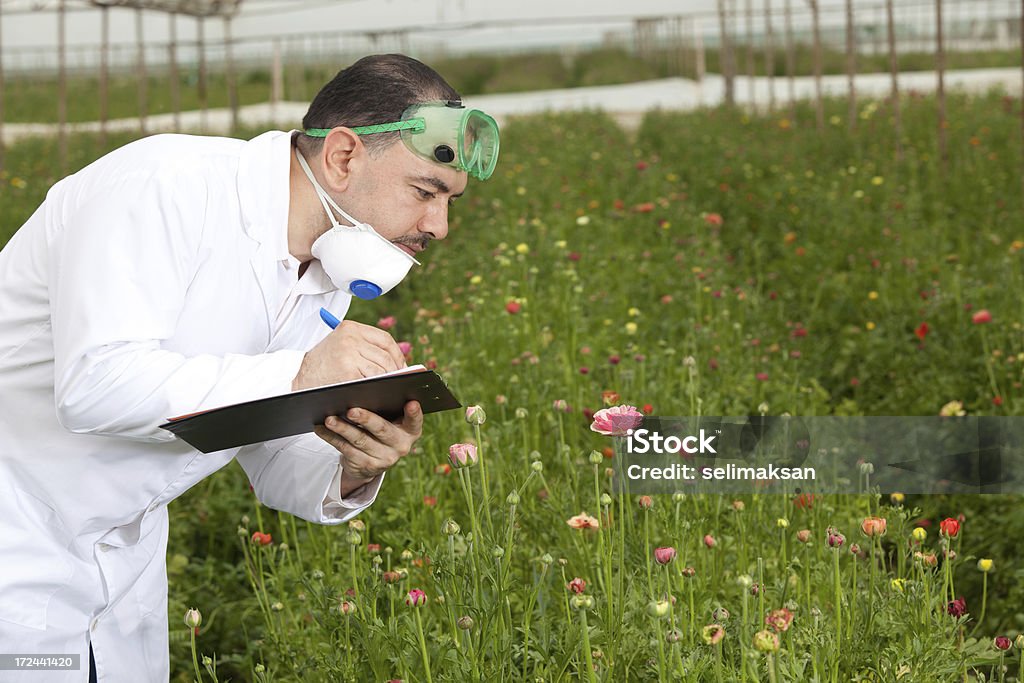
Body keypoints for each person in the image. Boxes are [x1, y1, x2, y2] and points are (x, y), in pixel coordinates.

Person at [0, 53, 500, 682]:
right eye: (425, 193)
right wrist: (300, 375)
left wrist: (348, 460)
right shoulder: (163, 187)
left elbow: (260, 444)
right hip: (17, 545)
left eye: (448, 201)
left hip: (119, 573)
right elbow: (95, 386)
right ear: (344, 157)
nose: (440, 226)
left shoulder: (328, 270)